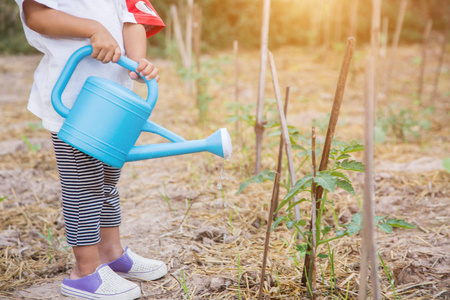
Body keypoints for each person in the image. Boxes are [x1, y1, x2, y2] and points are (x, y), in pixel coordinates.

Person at [15, 0, 166, 299]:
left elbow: (131, 16)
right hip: (73, 99)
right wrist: (93, 29)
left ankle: (111, 253)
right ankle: (84, 271)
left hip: (115, 98)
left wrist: (138, 60)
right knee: (84, 187)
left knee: (108, 182)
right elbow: (36, 15)